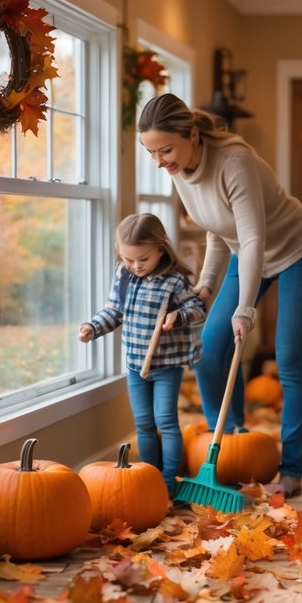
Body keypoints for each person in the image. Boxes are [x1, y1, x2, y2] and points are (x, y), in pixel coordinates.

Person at [138, 94, 302, 498]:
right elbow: (218, 228)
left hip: (297, 252)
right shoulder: (179, 168)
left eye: (165, 150)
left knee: (289, 358)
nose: (160, 161)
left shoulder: (234, 161)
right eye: (152, 153)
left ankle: (292, 469)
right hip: (247, 253)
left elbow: (253, 236)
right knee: (209, 350)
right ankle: (232, 447)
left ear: (191, 135)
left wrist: (244, 307)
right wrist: (206, 286)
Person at [79, 213, 206, 498]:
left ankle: (169, 481)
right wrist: (93, 327)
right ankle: (150, 476)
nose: (135, 266)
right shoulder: (124, 276)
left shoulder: (175, 281)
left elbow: (198, 309)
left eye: (143, 259)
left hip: (167, 366)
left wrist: (179, 315)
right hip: (136, 365)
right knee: (144, 425)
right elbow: (114, 312)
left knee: (166, 422)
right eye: (128, 259)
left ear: (160, 248)